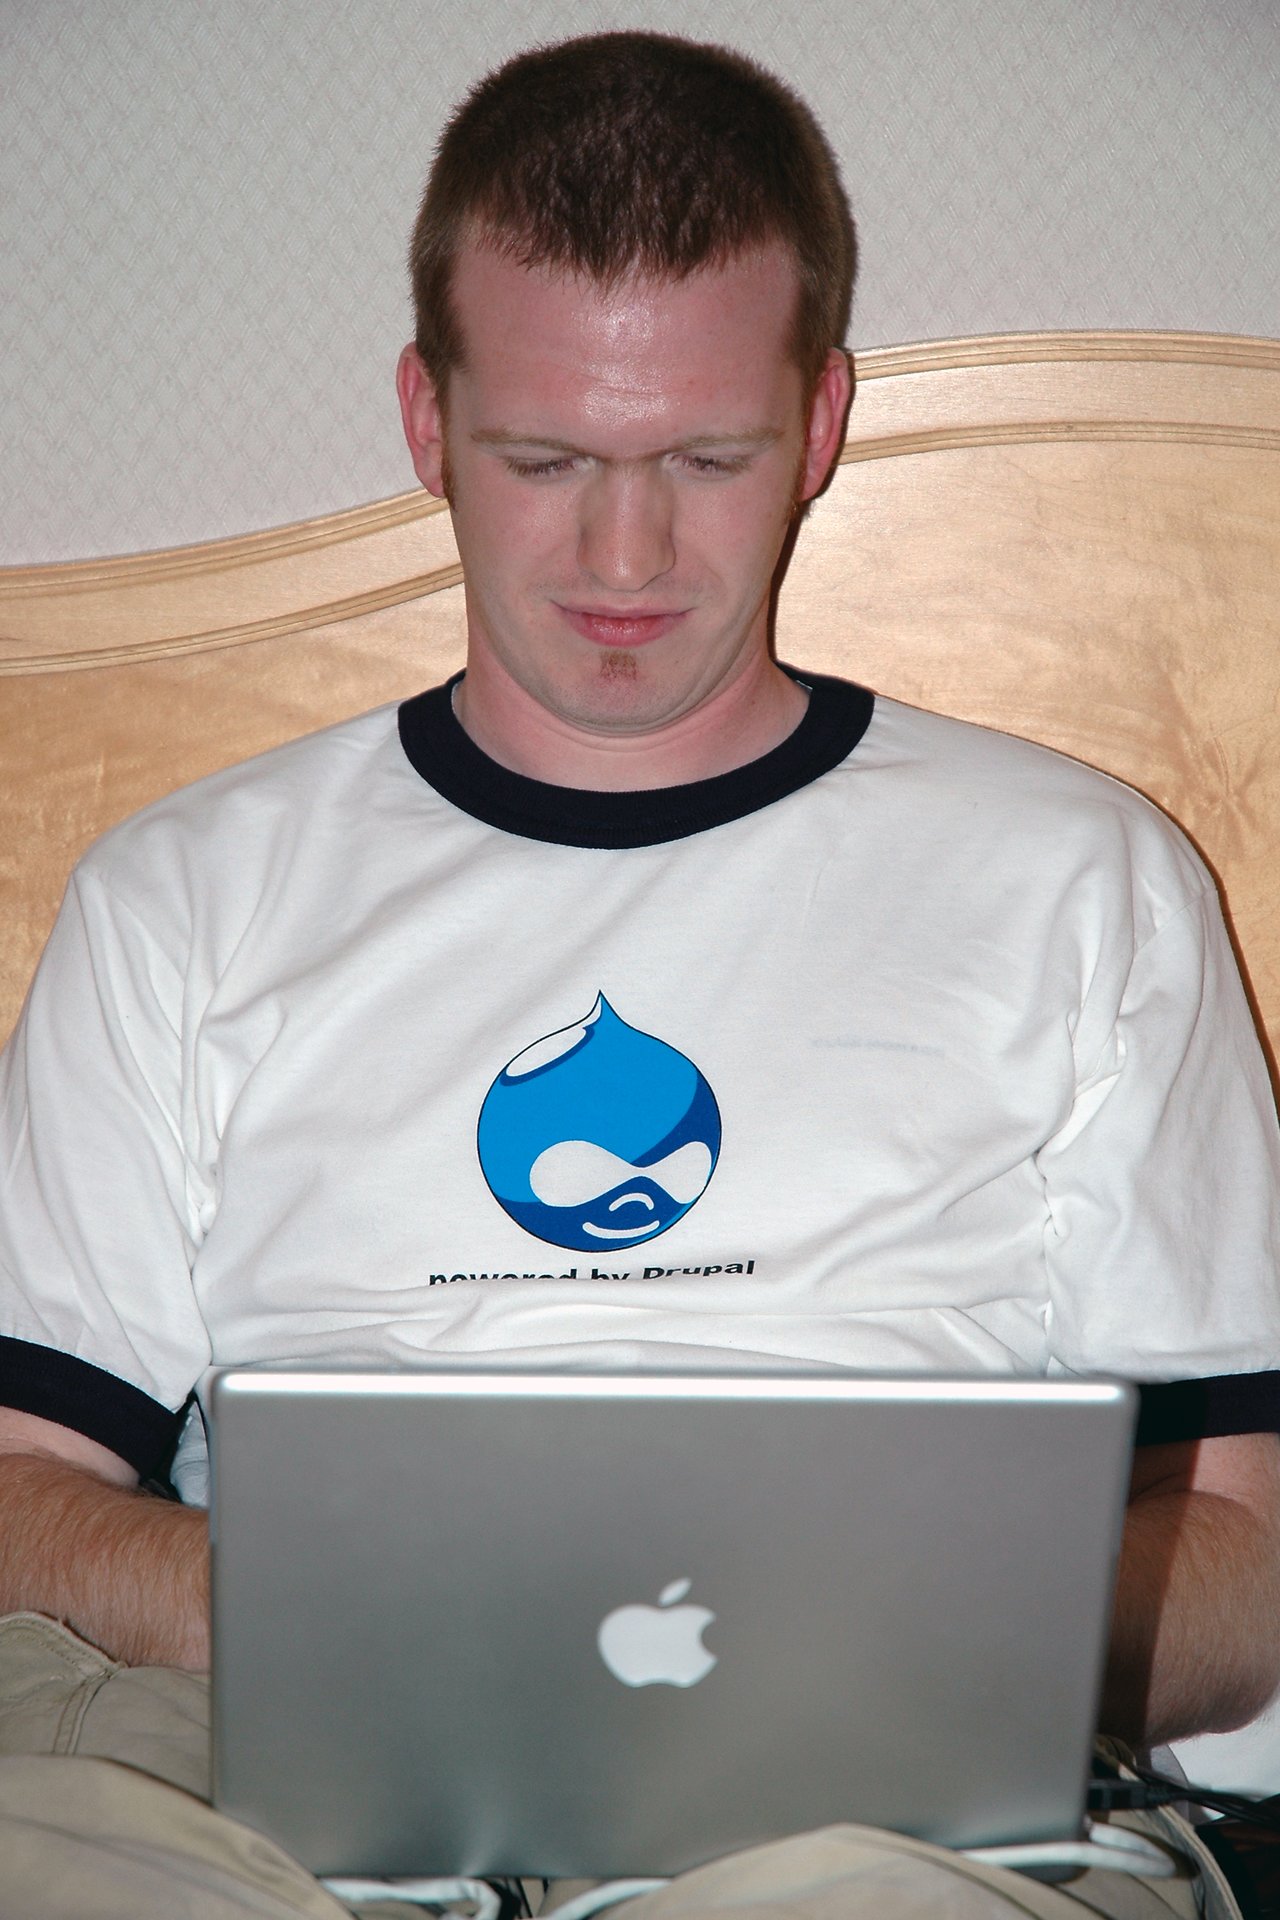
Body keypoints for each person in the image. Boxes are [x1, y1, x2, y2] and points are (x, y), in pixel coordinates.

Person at [0, 29, 1278, 1919]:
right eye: (544, 458)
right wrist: (358, 1611)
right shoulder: (184, 896)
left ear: (822, 427)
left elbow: (1245, 1557)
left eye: (706, 455)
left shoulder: (1079, 880)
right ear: (427, 421)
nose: (626, 552)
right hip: (259, 1757)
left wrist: (910, 1644)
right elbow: (23, 1489)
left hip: (876, 1800)